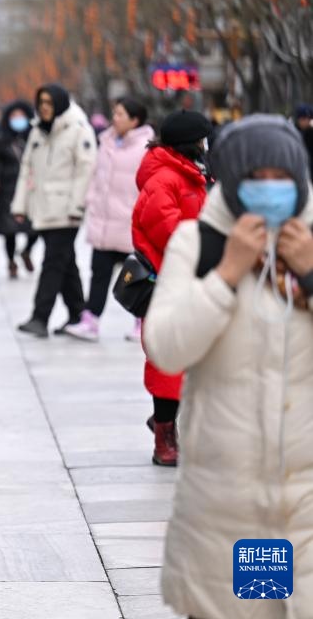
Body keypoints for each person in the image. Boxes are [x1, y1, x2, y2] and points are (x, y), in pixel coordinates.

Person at [144, 115, 313, 618]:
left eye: (280, 178)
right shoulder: (199, 244)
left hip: (306, 500)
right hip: (232, 507)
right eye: (254, 179)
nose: (269, 190)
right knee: (253, 611)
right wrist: (226, 274)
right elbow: (167, 348)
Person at [130, 109, 213, 466]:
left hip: (190, 281)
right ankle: (163, 432)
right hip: (168, 284)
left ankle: (172, 425)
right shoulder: (164, 179)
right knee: (168, 365)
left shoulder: (188, 175)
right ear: (189, 143)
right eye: (202, 139)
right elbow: (172, 232)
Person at [11, 84, 97, 337]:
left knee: (52, 262)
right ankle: (78, 314)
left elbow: (86, 170)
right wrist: (20, 205)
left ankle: (40, 317)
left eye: (49, 102)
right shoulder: (38, 131)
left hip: (66, 210)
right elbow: (27, 169)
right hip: (43, 207)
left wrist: (77, 206)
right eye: (41, 102)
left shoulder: (78, 130)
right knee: (65, 262)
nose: (44, 107)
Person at [66, 97, 154, 342]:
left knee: (136, 276)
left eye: (120, 114)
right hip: (104, 223)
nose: (114, 118)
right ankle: (91, 320)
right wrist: (91, 202)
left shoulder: (146, 148)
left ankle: (141, 322)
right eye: (114, 113)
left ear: (135, 120)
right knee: (99, 274)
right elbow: (95, 177)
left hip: (129, 224)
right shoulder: (104, 142)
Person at [0, 100, 38, 279]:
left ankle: (27, 251)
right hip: (8, 186)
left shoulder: (35, 137)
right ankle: (11, 262)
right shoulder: (1, 138)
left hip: (31, 188)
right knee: (10, 230)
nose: (18, 119)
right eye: (14, 116)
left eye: (21, 116)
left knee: (36, 227)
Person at [293, 103, 313, 169]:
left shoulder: (310, 131)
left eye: (309, 118)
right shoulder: (293, 132)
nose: (306, 121)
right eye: (303, 118)